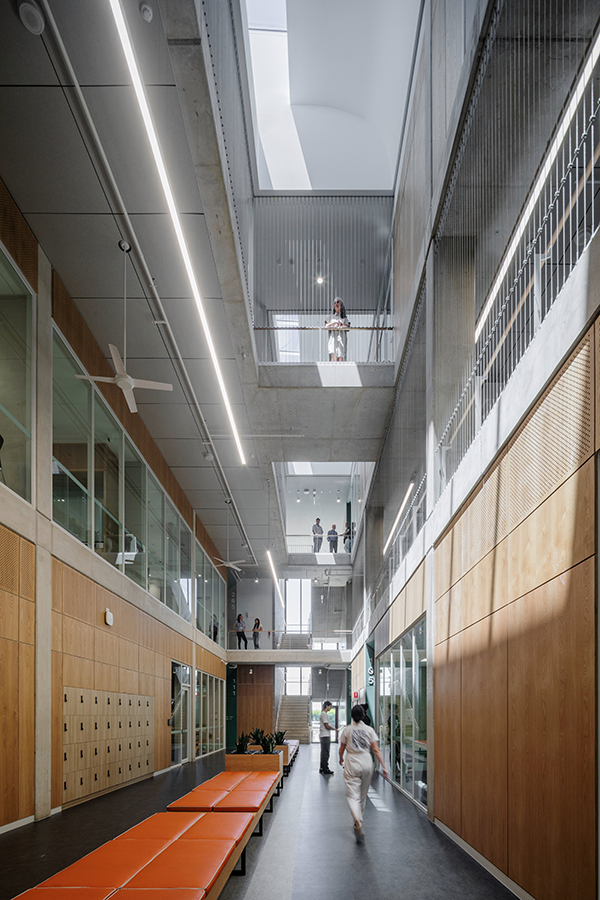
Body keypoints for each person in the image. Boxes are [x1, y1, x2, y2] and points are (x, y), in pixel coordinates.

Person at [339, 705, 388, 839]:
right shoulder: (369, 730)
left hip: (352, 762)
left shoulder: (347, 730)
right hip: (367, 762)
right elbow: (376, 749)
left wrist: (340, 759)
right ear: (363, 716)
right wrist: (383, 766)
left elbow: (341, 748)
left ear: (351, 716)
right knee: (362, 795)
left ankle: (357, 820)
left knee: (353, 794)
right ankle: (358, 821)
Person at [325, 297, 350, 361]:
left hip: (341, 340)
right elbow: (326, 326)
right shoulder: (330, 317)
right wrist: (333, 324)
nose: (336, 304)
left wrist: (341, 325)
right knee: (333, 358)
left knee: (341, 357)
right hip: (333, 340)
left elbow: (348, 327)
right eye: (335, 303)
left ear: (341, 305)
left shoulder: (344, 318)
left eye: (338, 303)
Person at [319, 700, 335, 774]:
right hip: (325, 736)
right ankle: (325, 769)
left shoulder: (323, 714)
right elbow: (326, 725)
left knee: (323, 753)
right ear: (327, 706)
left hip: (323, 736)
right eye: (330, 706)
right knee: (326, 753)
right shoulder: (324, 714)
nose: (331, 708)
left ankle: (322, 768)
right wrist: (334, 729)